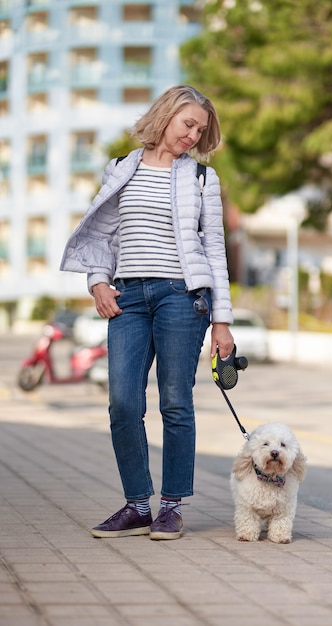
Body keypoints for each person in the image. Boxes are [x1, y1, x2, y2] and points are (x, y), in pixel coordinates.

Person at [60, 85, 234, 540]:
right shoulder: (121, 169)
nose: (193, 135)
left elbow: (215, 249)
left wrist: (223, 322)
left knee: (175, 401)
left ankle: (171, 506)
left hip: (182, 298)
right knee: (122, 401)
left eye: (201, 129)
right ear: (165, 116)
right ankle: (138, 505)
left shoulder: (201, 179)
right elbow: (104, 237)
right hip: (129, 298)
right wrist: (97, 281)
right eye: (188, 124)